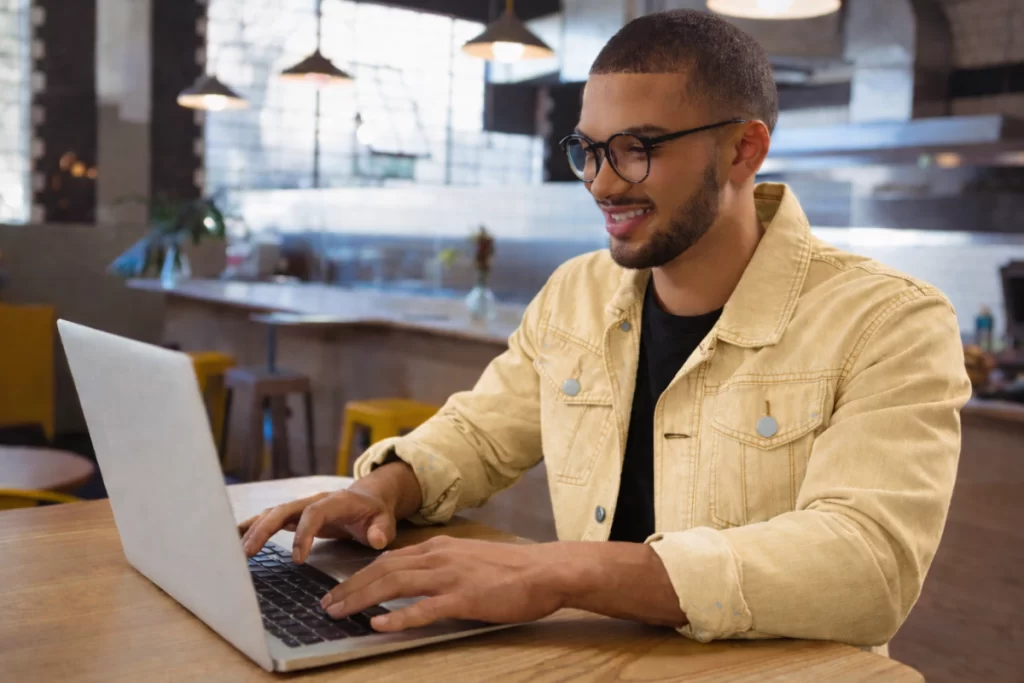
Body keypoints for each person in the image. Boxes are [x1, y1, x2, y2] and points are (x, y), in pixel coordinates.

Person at [239, 9, 971, 649]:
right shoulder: (576, 293)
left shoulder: (889, 320)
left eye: (637, 148)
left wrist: (559, 571)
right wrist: (385, 489)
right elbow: (480, 432)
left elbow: (867, 565)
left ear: (744, 150)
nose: (602, 182)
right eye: (589, 150)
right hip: (595, 658)